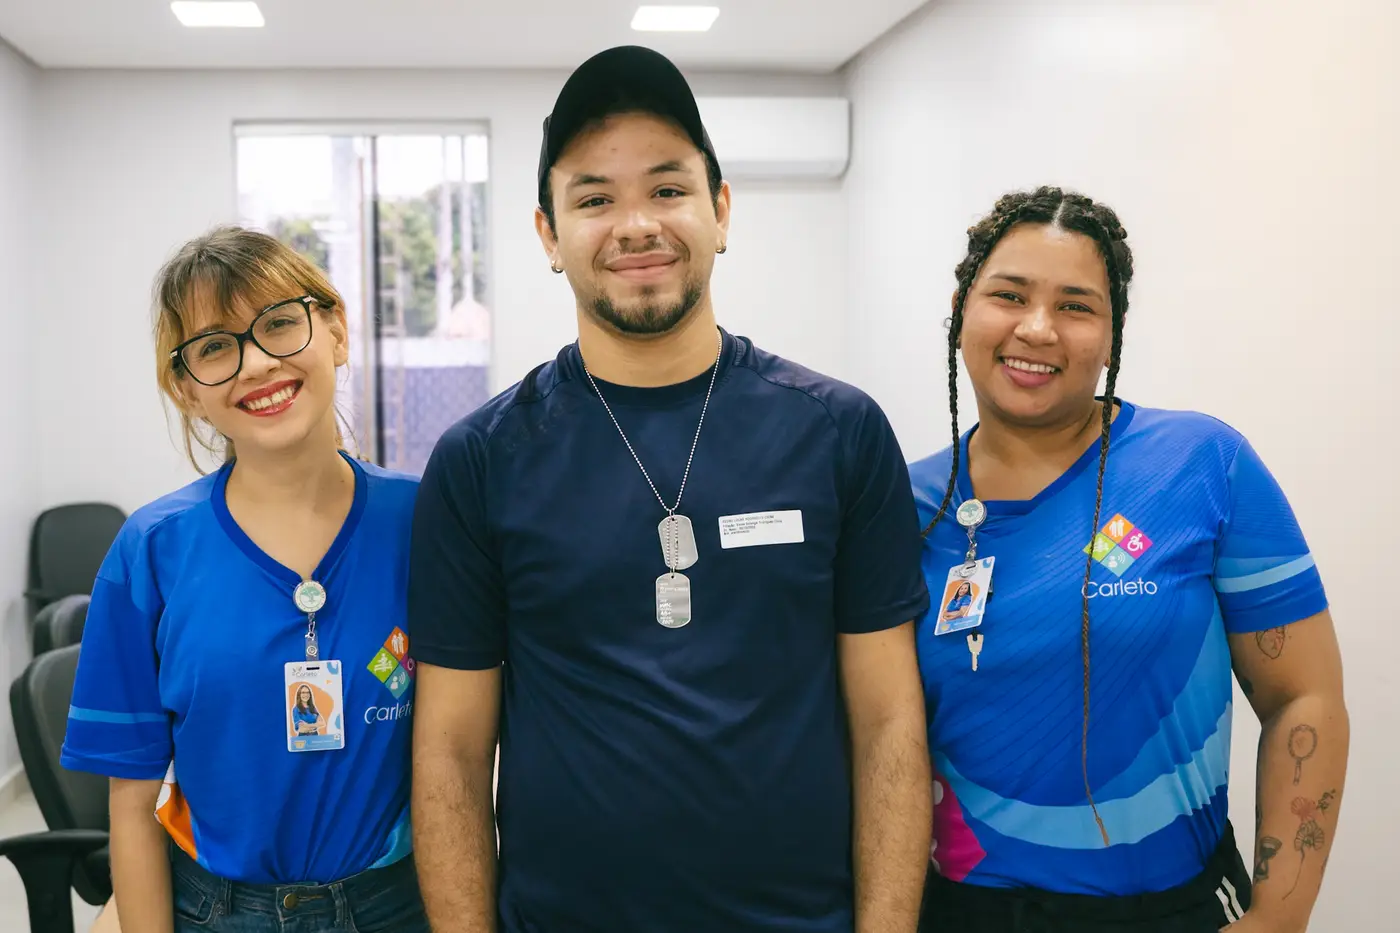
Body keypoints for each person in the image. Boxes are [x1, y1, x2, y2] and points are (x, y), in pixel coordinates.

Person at [408, 45, 932, 933]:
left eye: (667, 188)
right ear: (548, 235)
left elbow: (889, 723)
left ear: (720, 210)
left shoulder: (837, 432)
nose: (636, 225)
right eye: (594, 200)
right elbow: (451, 754)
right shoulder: (482, 460)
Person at [909, 186, 1349, 932]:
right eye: (1009, 295)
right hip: (962, 910)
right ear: (960, 311)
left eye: (1076, 306)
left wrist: (1279, 918)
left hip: (1171, 906)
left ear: (1112, 335)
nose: (1037, 328)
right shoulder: (904, 506)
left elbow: (1303, 697)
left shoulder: (1201, 464)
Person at [59, 227, 428, 932]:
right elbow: (132, 806)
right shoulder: (151, 552)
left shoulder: (426, 522)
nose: (256, 363)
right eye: (214, 348)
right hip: (219, 912)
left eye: (280, 322)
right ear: (185, 388)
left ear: (337, 331)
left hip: (400, 905)